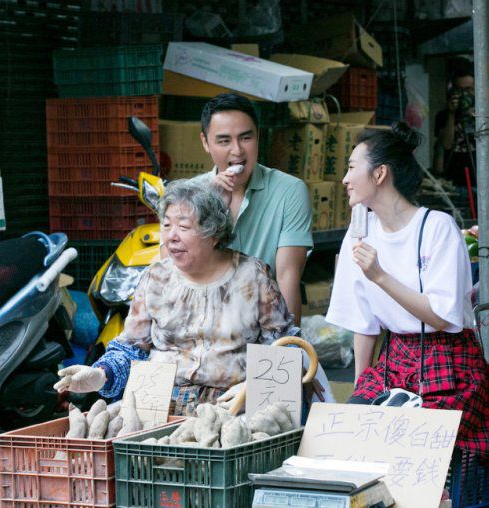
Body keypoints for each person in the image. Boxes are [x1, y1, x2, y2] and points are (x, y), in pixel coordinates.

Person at [54, 180, 301, 415]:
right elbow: (131, 347)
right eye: (166, 225)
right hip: (158, 403)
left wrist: (254, 387)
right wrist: (100, 374)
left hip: (232, 406)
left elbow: (286, 345)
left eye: (183, 227)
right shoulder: (155, 277)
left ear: (213, 234)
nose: (171, 236)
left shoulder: (253, 276)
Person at [326, 122, 488, 456]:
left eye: (352, 167)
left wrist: (380, 275)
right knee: (352, 436)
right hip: (394, 360)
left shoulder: (437, 227)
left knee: (414, 450)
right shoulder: (360, 232)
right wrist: (360, 389)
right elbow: (363, 323)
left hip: (449, 360)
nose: (344, 178)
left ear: (380, 173)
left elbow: (443, 317)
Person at [194, 93, 314, 325]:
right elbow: (174, 272)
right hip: (202, 325)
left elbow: (287, 275)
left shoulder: (290, 191)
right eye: (224, 141)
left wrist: (287, 345)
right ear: (205, 142)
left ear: (258, 136)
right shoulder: (189, 195)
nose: (237, 150)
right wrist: (212, 207)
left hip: (264, 326)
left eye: (246, 138)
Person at [434, 64, 476, 192]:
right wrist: (451, 114)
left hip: (480, 180)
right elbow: (446, 144)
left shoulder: (484, 114)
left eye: (469, 89)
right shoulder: (443, 116)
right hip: (452, 181)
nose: (464, 94)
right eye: (459, 90)